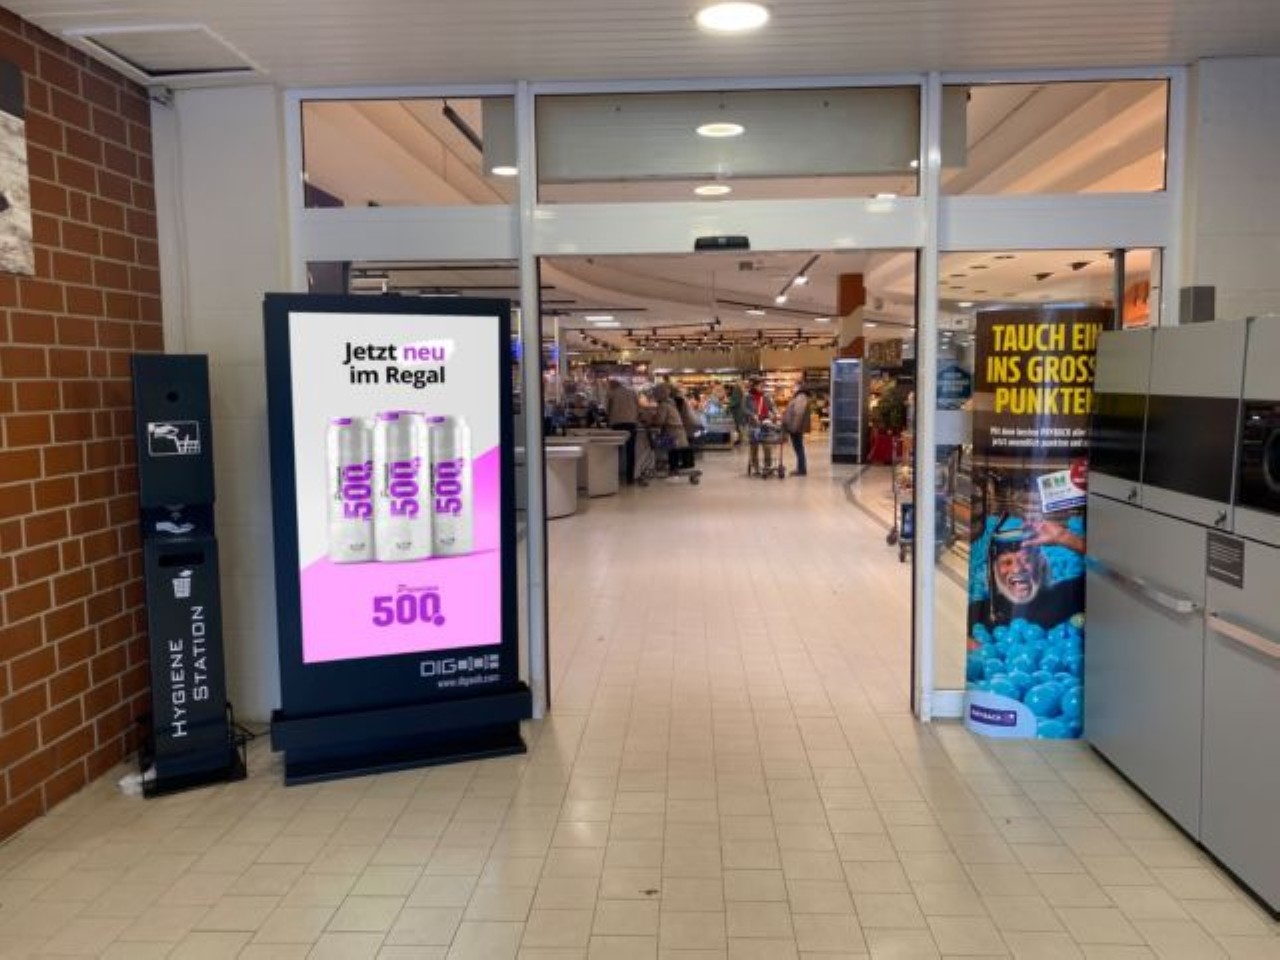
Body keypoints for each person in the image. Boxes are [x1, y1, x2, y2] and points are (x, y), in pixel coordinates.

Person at [976, 515, 1085, 629]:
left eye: (1027, 560)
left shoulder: (1066, 595)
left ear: (1041, 564)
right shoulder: (983, 611)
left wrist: (1064, 537)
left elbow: (1097, 568)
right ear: (994, 570)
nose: (1017, 569)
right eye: (1007, 562)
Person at [645, 384, 689, 475]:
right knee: (672, 451)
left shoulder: (663, 405)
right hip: (677, 433)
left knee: (667, 449)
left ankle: (669, 467)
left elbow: (659, 421)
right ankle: (672, 468)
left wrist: (649, 421)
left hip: (672, 433)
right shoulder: (671, 403)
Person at [606, 378, 640, 484]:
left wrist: (608, 419)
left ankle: (614, 477)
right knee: (630, 451)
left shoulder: (611, 393)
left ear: (613, 385)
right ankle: (630, 478)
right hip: (631, 424)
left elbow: (608, 409)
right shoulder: (632, 392)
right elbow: (638, 408)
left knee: (616, 451)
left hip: (616, 424)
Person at [743, 377, 777, 475]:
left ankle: (767, 466)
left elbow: (773, 407)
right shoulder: (747, 397)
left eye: (763, 385)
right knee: (754, 446)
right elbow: (744, 409)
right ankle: (756, 467)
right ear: (754, 386)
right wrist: (752, 415)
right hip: (753, 425)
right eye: (760, 385)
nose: (762, 387)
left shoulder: (766, 396)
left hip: (766, 424)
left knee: (767, 446)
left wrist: (774, 413)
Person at [782, 385, 812, 476]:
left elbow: (798, 414)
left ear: (799, 388)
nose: (792, 388)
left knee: (799, 448)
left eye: (794, 387)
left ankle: (801, 469)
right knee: (798, 448)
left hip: (796, 428)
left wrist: (794, 428)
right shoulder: (799, 397)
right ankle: (800, 468)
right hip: (796, 427)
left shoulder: (801, 398)